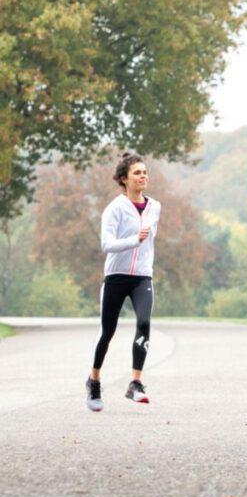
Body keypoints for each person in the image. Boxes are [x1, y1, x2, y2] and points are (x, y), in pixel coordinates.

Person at [86, 153, 162, 412]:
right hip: (116, 277)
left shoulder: (155, 207)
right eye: (137, 173)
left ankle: (135, 383)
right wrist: (133, 239)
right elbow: (107, 245)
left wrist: (143, 253)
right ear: (124, 179)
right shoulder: (114, 208)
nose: (143, 176)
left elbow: (150, 242)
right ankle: (94, 380)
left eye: (145, 172)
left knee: (144, 322)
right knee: (107, 331)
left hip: (142, 276)